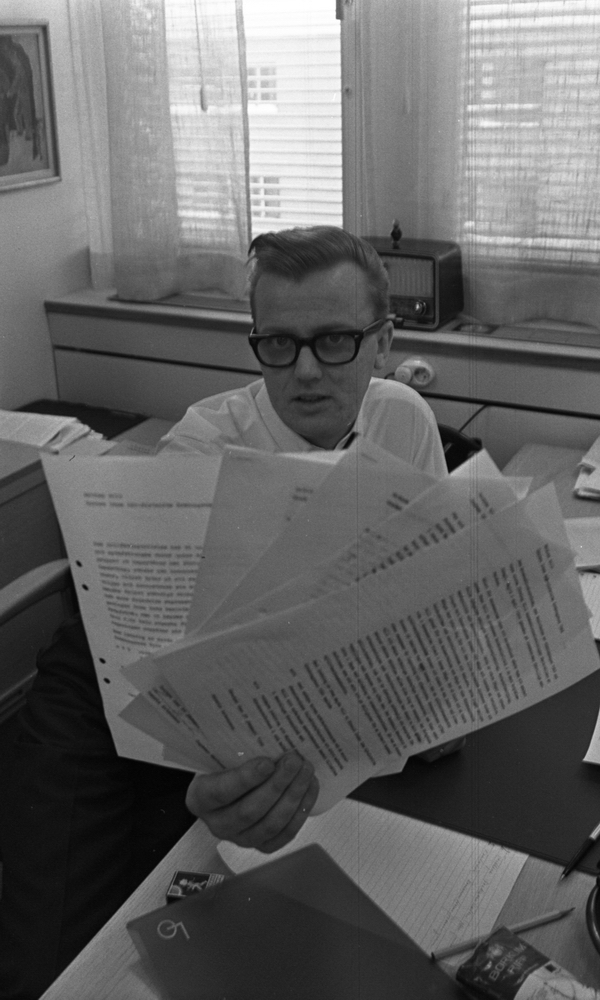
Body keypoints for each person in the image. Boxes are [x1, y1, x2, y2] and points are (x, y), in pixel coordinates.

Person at [0, 227, 446, 1000]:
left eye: (335, 340)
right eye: (278, 344)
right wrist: (206, 780)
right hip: (120, 686)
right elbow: (167, 683)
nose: (305, 370)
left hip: (286, 689)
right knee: (65, 960)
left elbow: (423, 588)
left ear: (383, 342)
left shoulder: (403, 419)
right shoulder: (203, 448)